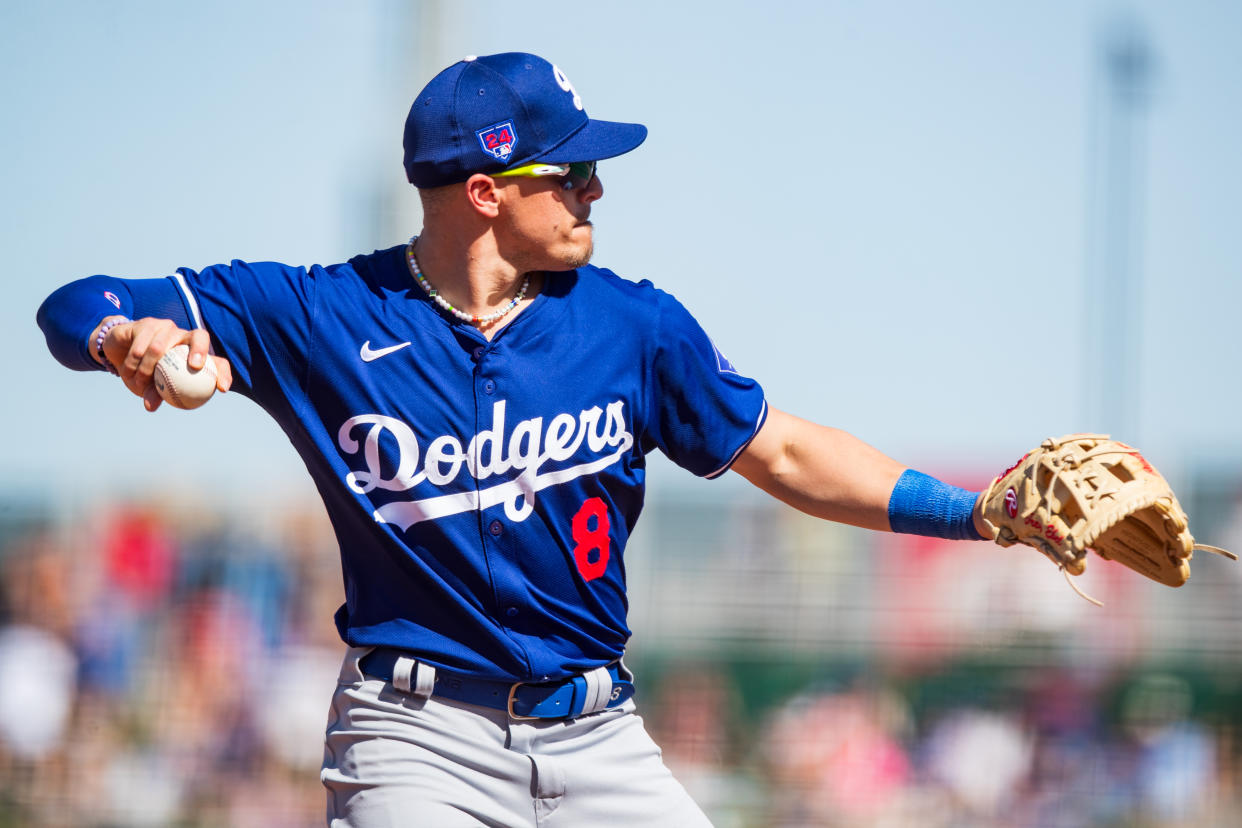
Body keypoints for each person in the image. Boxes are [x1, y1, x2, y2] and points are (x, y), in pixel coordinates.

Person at [37, 52, 991, 826]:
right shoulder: (317, 313)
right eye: (570, 172)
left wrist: (976, 513)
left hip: (599, 735)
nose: (596, 190)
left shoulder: (632, 325)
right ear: (487, 192)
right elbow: (73, 305)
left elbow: (782, 452)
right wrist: (123, 338)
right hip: (414, 740)